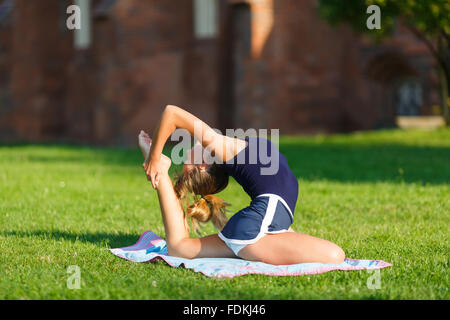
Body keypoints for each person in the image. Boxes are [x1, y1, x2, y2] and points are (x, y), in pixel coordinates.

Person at [138, 105, 345, 265]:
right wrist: (154, 158)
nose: (187, 151)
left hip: (260, 223)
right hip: (254, 227)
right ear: (203, 164)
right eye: (187, 160)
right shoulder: (220, 148)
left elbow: (171, 113)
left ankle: (162, 174)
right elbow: (171, 113)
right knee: (336, 255)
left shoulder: (232, 150)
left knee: (180, 248)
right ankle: (161, 171)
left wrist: (155, 158)